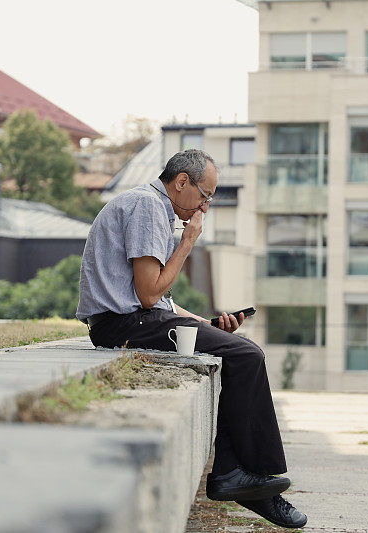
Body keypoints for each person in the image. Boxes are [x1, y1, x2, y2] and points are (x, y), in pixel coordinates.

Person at [76, 149, 307, 528]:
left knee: (241, 352)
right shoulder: (148, 206)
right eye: (205, 195)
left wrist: (210, 324)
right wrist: (188, 242)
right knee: (247, 357)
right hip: (123, 325)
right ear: (181, 182)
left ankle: (246, 479)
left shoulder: (152, 207)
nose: (206, 206)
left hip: (135, 319)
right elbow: (149, 296)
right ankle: (244, 480)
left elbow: (161, 302)